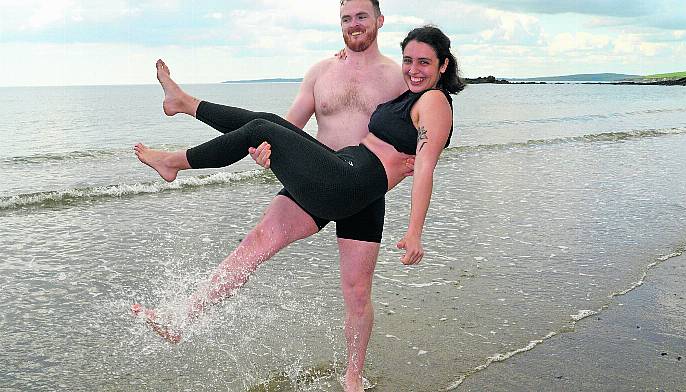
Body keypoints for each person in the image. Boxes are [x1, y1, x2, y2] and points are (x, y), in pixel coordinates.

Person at [134, 19, 462, 392]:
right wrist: (346, 59)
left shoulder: (435, 102)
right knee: (271, 131)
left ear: (443, 65)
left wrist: (414, 231)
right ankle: (184, 320)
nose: (414, 70)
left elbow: (425, 168)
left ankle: (175, 160)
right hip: (349, 181)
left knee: (264, 128)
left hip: (349, 183)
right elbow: (367, 64)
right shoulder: (407, 90)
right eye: (409, 60)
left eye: (424, 62)